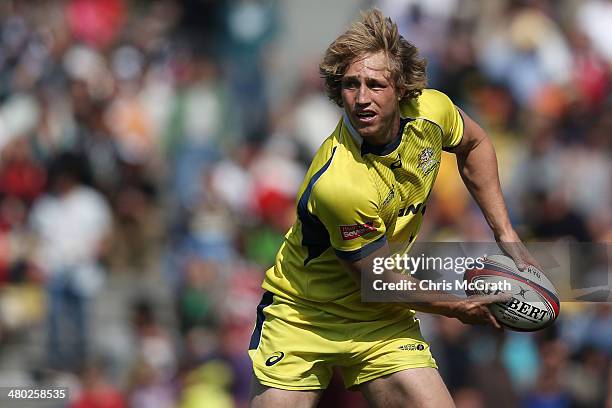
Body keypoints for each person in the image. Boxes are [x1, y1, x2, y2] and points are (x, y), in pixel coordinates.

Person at [248, 9, 536, 407]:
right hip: (305, 314)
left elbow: (475, 144)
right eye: (350, 85)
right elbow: (379, 281)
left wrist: (505, 232)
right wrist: (456, 306)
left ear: (401, 88)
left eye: (375, 84)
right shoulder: (339, 182)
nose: (362, 98)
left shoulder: (431, 112)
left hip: (378, 319)